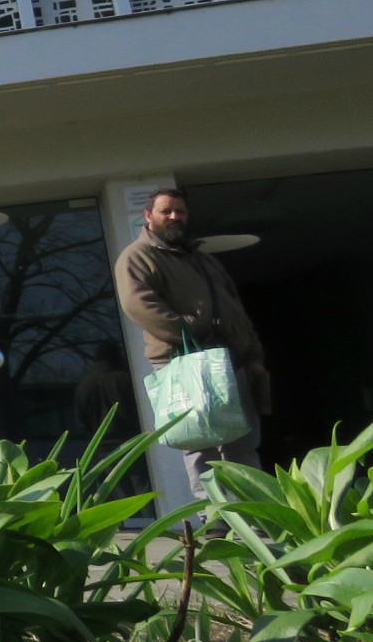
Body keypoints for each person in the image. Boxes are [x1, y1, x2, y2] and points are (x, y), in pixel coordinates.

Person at [114, 186, 270, 499]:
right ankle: (216, 522)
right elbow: (138, 305)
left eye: (180, 211)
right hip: (183, 361)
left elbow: (234, 309)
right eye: (166, 211)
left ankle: (258, 516)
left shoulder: (203, 260)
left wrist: (252, 355)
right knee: (201, 444)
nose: (174, 217)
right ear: (149, 216)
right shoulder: (137, 257)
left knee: (243, 444)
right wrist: (189, 332)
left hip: (231, 361)